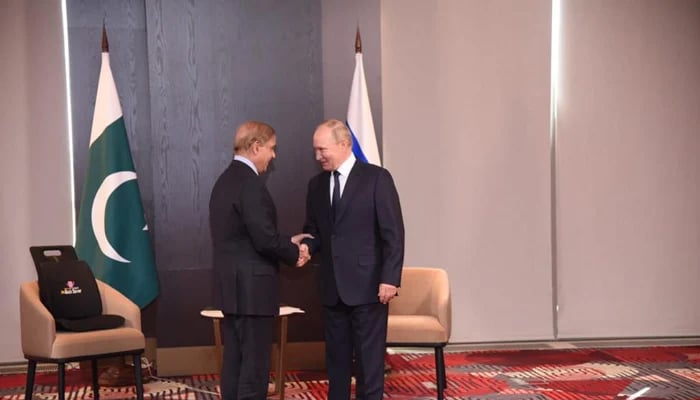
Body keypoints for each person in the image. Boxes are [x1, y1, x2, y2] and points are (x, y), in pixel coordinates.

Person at [301, 119, 405, 400]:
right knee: (336, 365)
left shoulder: (376, 178)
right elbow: (316, 231)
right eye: (315, 150)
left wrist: (389, 278)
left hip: (369, 288)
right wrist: (306, 245)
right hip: (332, 289)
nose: (318, 156)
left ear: (344, 144)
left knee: (370, 366)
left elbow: (393, 233)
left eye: (322, 149)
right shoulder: (316, 185)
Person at [209, 120, 310, 400]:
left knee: (235, 365)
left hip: (233, 290)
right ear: (256, 147)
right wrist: (293, 253)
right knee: (253, 371)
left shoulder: (224, 181)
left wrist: (285, 242)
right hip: (253, 293)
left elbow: (244, 236)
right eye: (272, 149)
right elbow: (263, 239)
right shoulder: (250, 184)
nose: (273, 155)